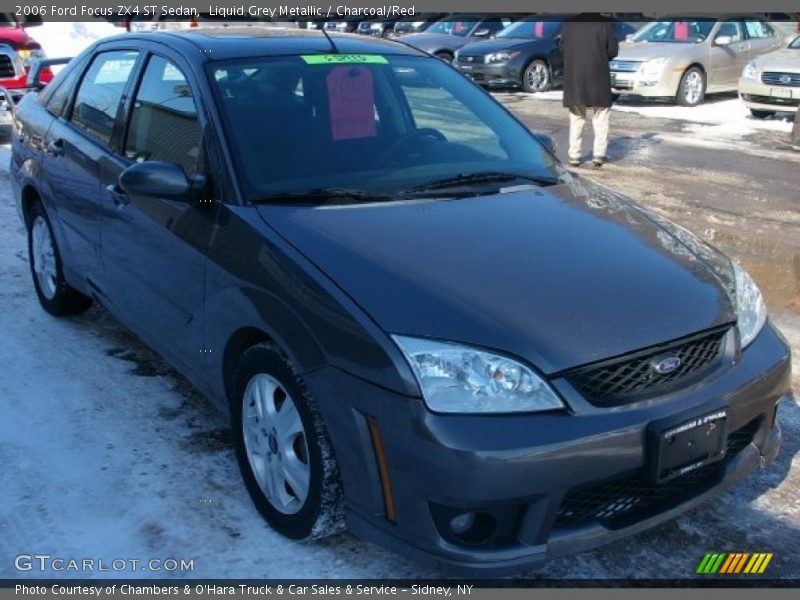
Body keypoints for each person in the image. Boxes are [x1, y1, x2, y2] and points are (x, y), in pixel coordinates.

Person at [561, 14, 619, 167]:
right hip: (598, 75)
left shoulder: (569, 24)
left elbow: (562, 48)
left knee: (576, 116)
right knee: (601, 115)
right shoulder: (604, 24)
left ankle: (574, 154)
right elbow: (613, 51)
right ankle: (599, 154)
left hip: (575, 77)